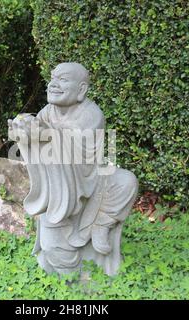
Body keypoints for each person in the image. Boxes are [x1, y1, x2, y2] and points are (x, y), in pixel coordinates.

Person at [8, 62, 138, 275]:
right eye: (52, 78)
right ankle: (69, 283)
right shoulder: (47, 112)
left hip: (92, 179)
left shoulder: (91, 114)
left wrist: (44, 133)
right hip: (60, 188)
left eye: (63, 79)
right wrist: (24, 132)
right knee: (54, 248)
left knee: (126, 181)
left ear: (81, 90)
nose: (53, 84)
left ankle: (101, 225)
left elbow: (75, 147)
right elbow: (39, 141)